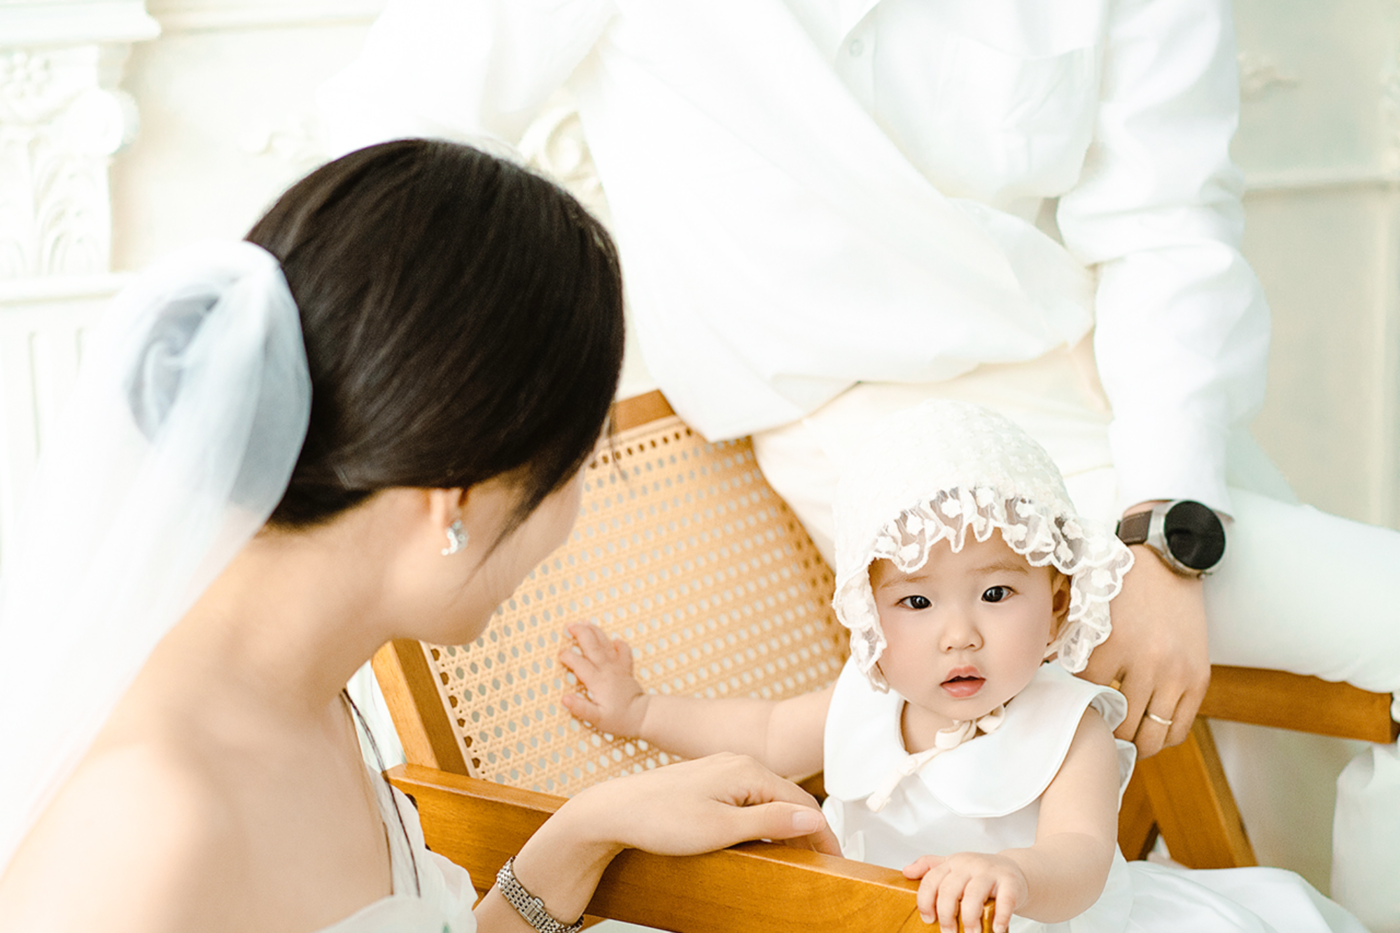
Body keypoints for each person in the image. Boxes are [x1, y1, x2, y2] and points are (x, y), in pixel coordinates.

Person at [318, 4, 1400, 927]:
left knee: (1283, 760)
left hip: (1135, 406)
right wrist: (514, 402)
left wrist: (1167, 524)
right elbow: (392, 133)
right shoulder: (893, 657)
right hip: (896, 447)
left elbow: (1167, 223)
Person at [0, 139, 839, 933]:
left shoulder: (304, 687)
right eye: (576, 466)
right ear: (458, 499)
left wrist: (588, 830)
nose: (571, 514)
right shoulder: (142, 828)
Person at [559, 400, 1368, 933]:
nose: (959, 635)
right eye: (916, 602)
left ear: (1056, 605)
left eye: (995, 593)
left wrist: (1013, 871)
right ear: (870, 613)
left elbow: (1084, 855)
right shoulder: (867, 699)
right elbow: (764, 733)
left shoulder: (1068, 723)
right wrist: (640, 710)